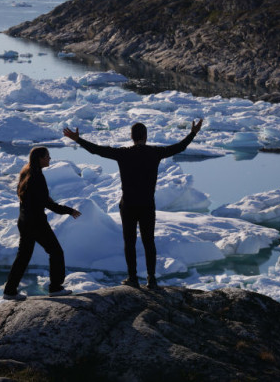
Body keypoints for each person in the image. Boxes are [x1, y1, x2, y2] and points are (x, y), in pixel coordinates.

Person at [63, 119, 203, 289]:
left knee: (129, 242)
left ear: (131, 137)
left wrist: (78, 140)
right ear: (145, 136)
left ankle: (133, 278)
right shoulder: (155, 152)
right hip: (147, 205)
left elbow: (98, 150)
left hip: (128, 205)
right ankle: (152, 279)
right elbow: (179, 147)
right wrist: (193, 133)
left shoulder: (123, 153)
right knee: (148, 242)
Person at [3, 146, 82, 301]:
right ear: (39, 158)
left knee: (23, 256)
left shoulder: (26, 172)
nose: (49, 159)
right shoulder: (36, 176)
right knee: (56, 252)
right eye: (47, 156)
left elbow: (36, 198)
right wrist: (68, 210)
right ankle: (55, 288)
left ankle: (10, 290)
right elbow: (47, 203)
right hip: (36, 222)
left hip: (24, 220)